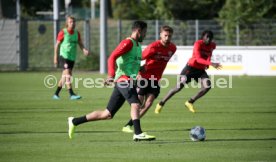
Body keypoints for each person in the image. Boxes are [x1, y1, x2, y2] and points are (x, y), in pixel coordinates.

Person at [67, 20, 156, 141]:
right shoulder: (127, 43)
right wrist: (110, 75)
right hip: (123, 80)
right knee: (135, 104)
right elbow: (112, 57)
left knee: (107, 114)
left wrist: (140, 69)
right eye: (144, 32)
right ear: (139, 31)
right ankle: (138, 133)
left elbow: (130, 63)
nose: (145, 35)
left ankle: (74, 121)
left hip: (127, 81)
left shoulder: (138, 45)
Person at [122, 25, 176, 133]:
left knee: (149, 103)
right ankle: (131, 125)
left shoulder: (172, 48)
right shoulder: (153, 47)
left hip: (156, 79)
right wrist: (137, 72)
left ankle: (129, 125)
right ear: (160, 35)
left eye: (169, 36)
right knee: (139, 102)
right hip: (144, 77)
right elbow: (139, 58)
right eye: (165, 35)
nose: (167, 38)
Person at [155, 30, 222, 113]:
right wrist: (211, 63)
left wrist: (207, 63)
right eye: (207, 37)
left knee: (207, 86)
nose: (208, 39)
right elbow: (198, 59)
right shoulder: (198, 44)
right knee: (178, 88)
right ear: (203, 37)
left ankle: (190, 102)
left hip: (200, 70)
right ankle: (161, 104)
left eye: (210, 37)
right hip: (190, 69)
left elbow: (209, 54)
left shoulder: (213, 45)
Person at [53, 16, 89, 100]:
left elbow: (80, 43)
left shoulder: (77, 33)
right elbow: (56, 45)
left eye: (73, 22)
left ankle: (56, 94)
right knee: (68, 74)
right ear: (67, 23)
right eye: (70, 22)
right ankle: (71, 94)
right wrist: (55, 57)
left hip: (72, 58)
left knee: (65, 76)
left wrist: (84, 49)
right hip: (64, 56)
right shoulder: (63, 32)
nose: (72, 24)